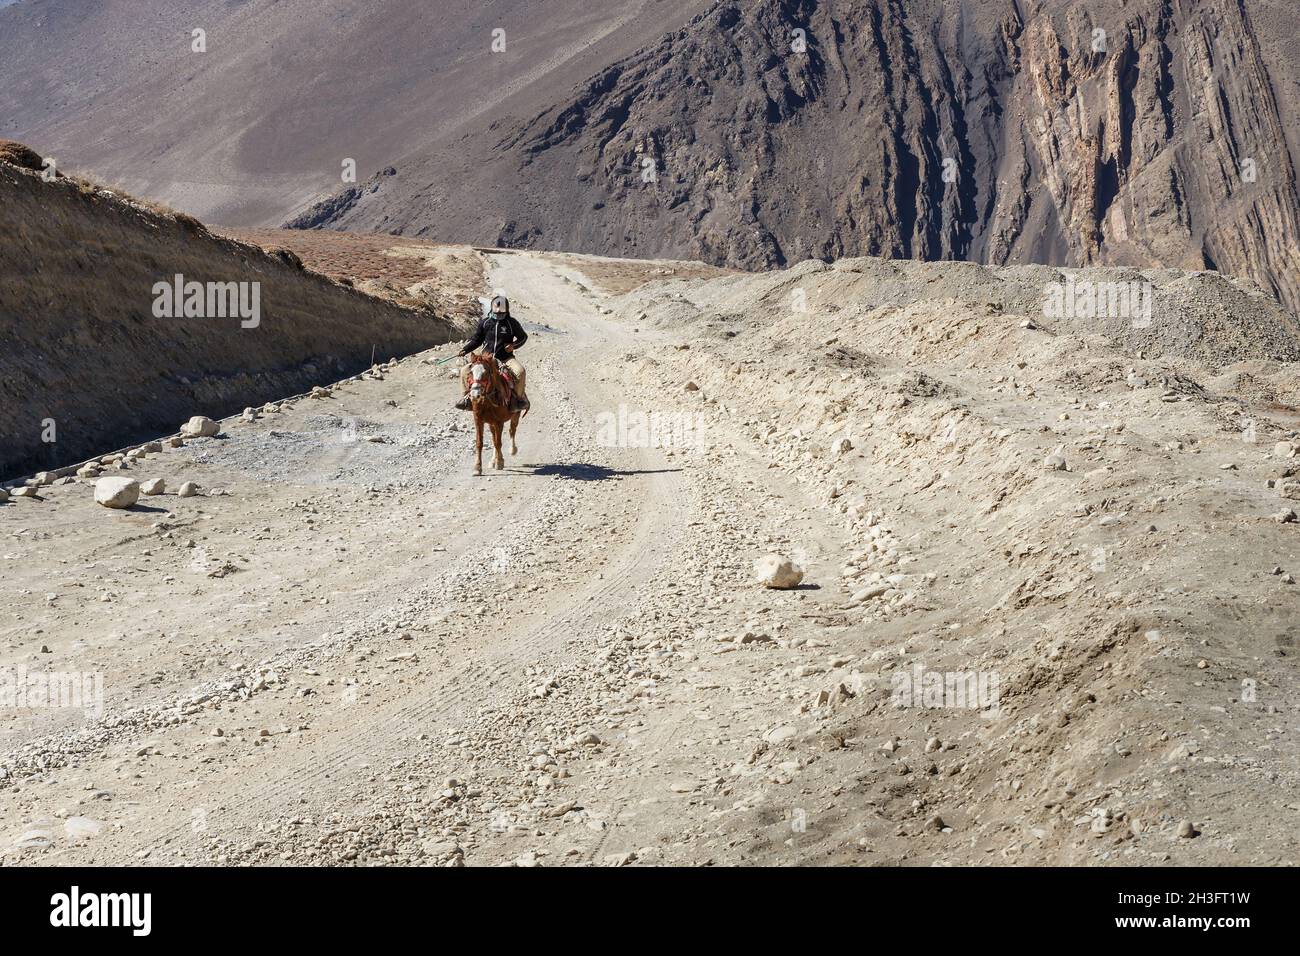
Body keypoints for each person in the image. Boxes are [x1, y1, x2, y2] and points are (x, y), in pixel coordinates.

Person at [456, 294, 529, 412]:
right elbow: (476, 340)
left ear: (507, 311)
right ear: (491, 309)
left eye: (502, 313)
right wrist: (465, 349)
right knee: (464, 370)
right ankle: (466, 399)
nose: (499, 315)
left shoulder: (512, 323)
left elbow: (523, 337)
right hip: (485, 359)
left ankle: (518, 400)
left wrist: (514, 345)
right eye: (496, 313)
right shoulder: (485, 323)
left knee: (521, 371)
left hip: (506, 358)